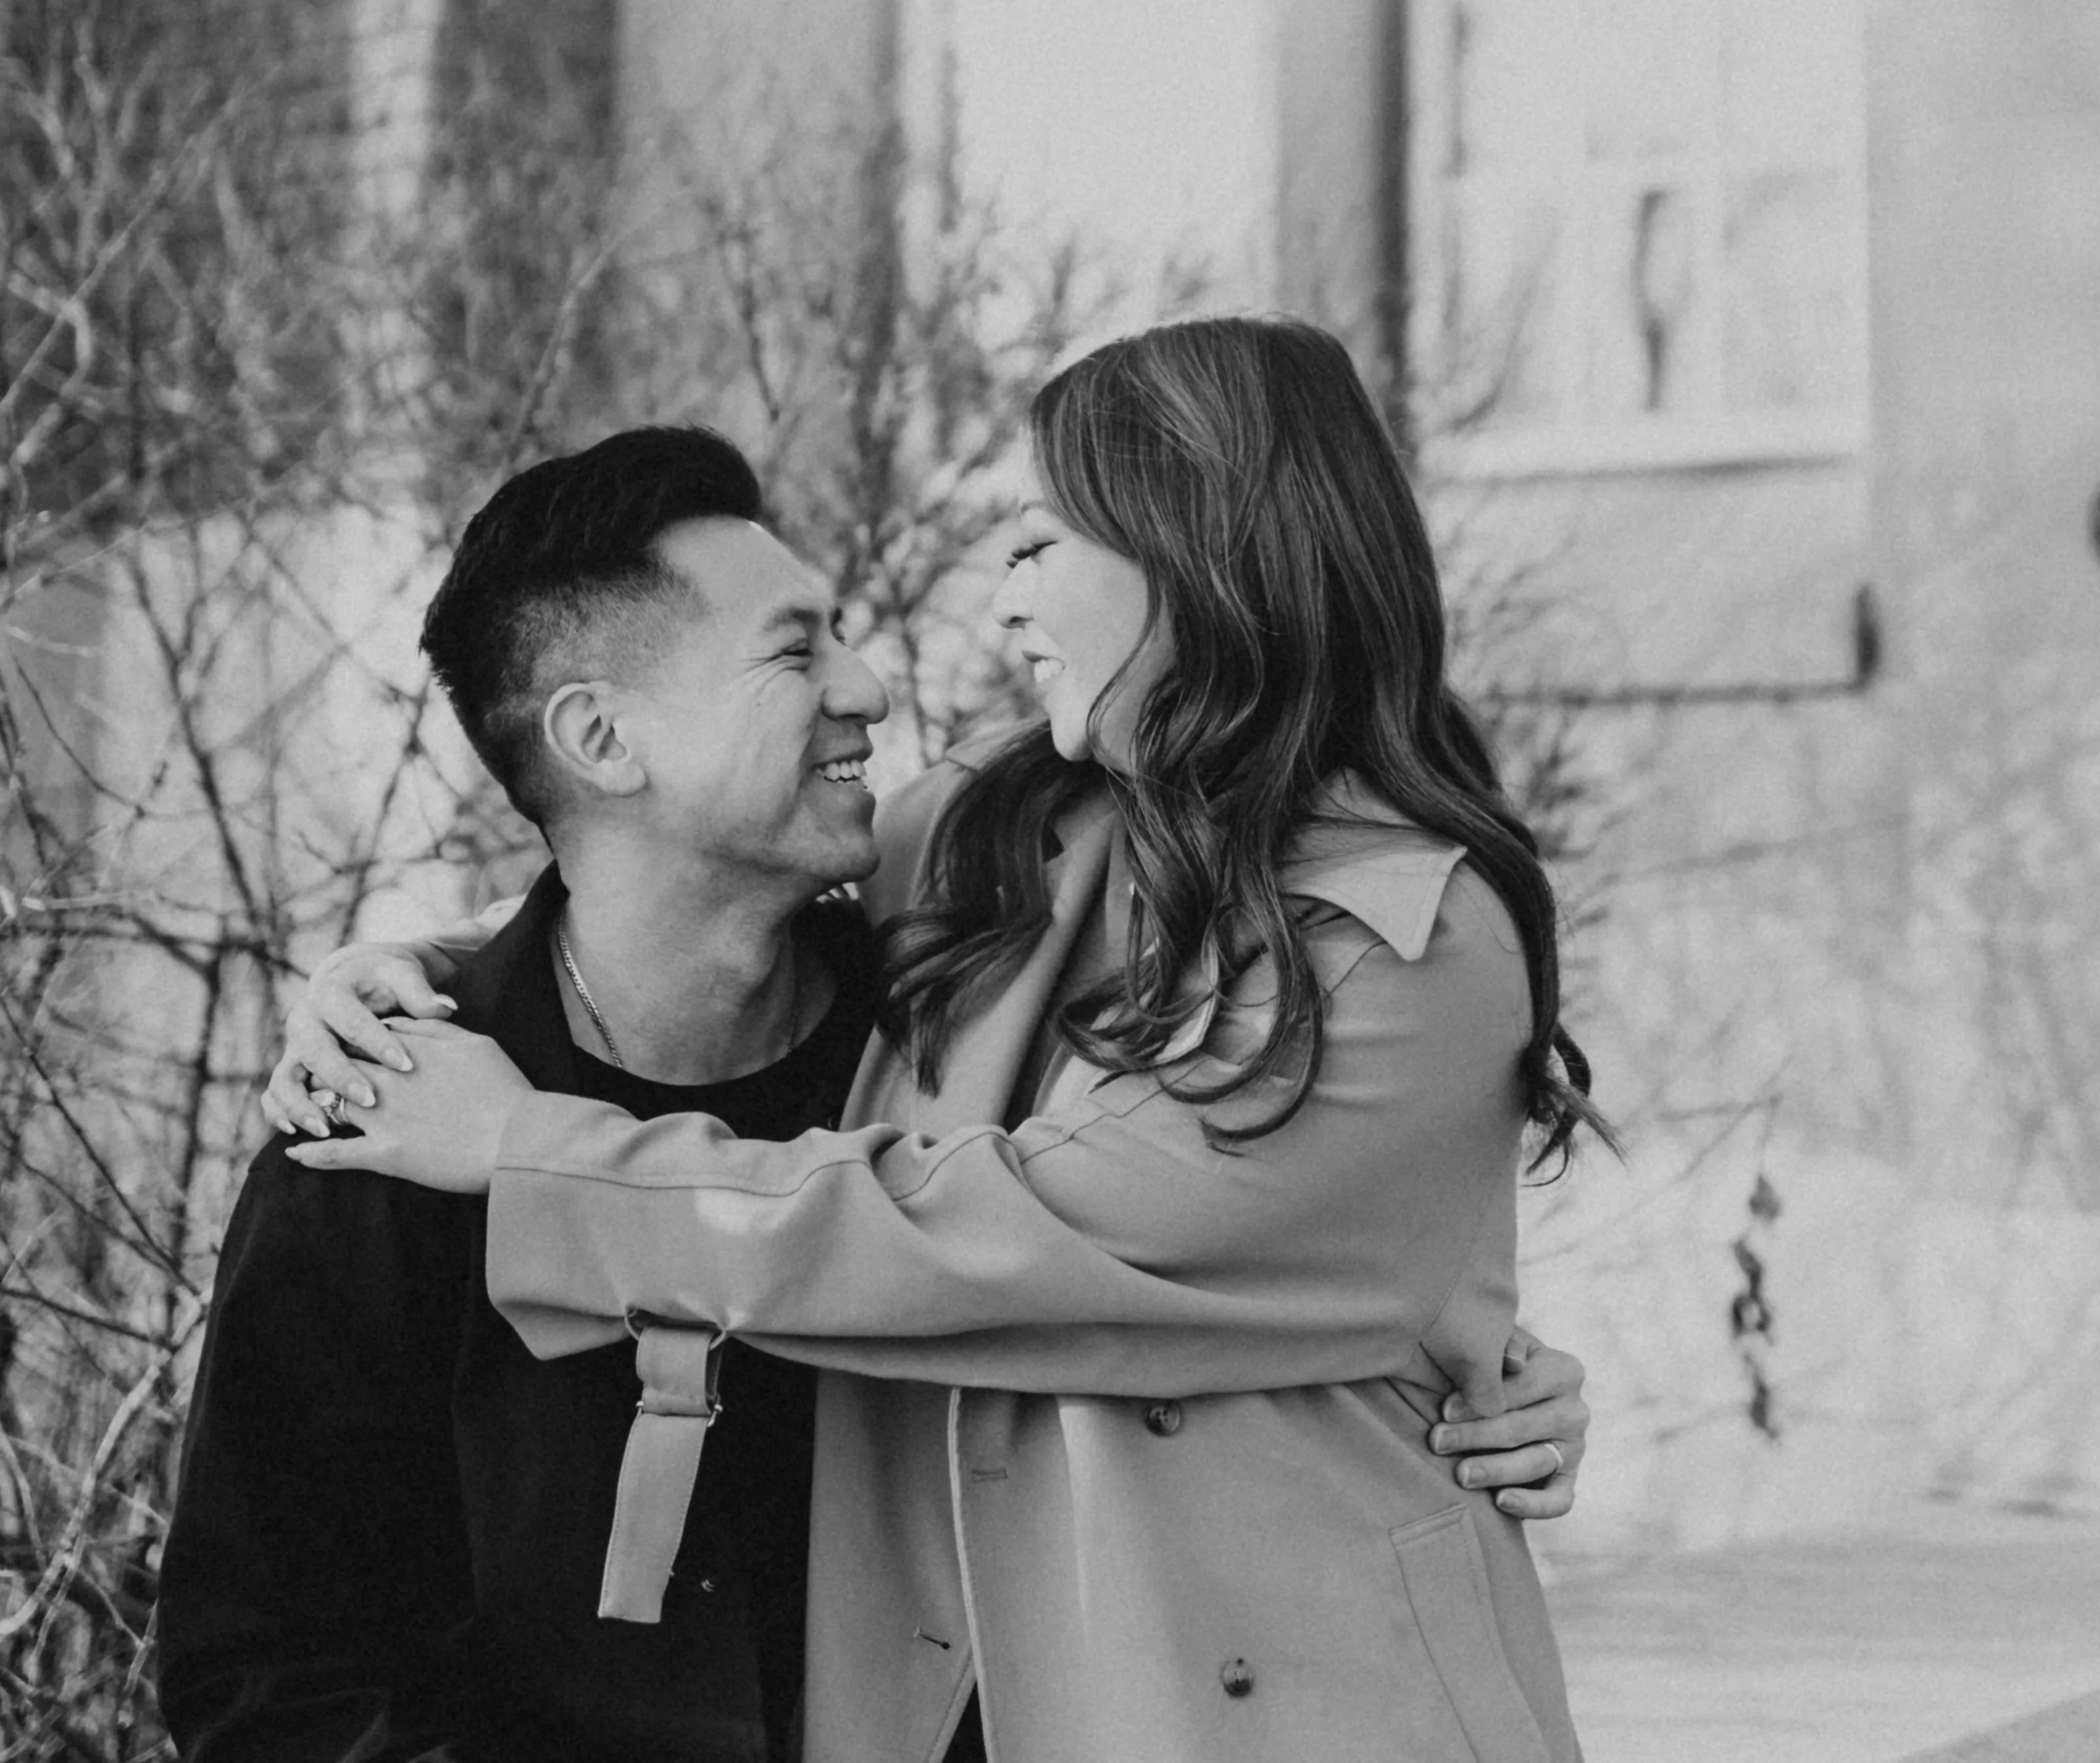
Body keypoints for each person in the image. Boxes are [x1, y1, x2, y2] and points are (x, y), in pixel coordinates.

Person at [172, 422, 1590, 1762]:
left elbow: (1151, 1218)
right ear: (603, 741)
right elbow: (271, 1667)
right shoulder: (395, 1131)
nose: (872, 685)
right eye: (799, 651)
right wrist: (397, 964)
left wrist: (1434, 1361)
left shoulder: (954, 1004)